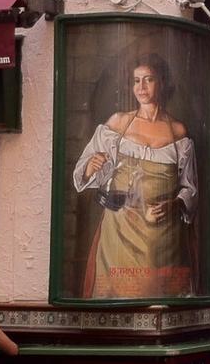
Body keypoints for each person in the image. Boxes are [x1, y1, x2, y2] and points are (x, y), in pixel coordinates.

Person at [73, 54, 198, 299]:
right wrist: (92, 166)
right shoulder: (118, 123)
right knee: (116, 292)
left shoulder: (178, 131)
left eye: (148, 80)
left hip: (162, 233)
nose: (141, 87)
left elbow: (190, 187)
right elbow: (85, 173)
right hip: (120, 227)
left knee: (157, 295)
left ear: (162, 82)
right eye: (136, 80)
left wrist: (175, 204)